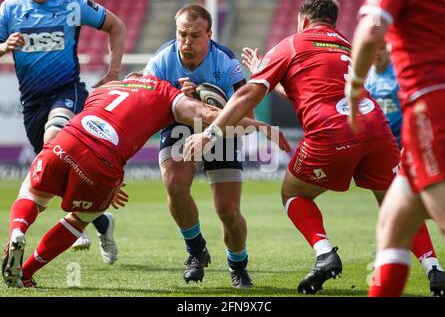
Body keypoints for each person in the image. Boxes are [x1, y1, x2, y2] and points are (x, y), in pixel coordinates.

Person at [184, 0, 445, 295]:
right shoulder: (345, 44)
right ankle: (434, 269)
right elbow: (309, 92)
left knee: (293, 193)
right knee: (398, 204)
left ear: (303, 21)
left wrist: (210, 134)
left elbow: (247, 96)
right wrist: (269, 73)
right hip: (376, 128)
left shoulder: (293, 43)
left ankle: (324, 254)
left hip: (332, 132)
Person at [1, 71, 290, 288]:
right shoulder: (166, 94)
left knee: (32, 194)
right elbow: (207, 113)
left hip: (70, 139)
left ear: (134, 76)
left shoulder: (108, 87)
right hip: (104, 163)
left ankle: (17, 230)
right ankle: (25, 272)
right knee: (79, 219)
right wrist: (256, 124)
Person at [0, 0, 127, 263]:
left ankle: (75, 226)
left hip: (66, 91)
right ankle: (102, 222)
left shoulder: (74, 4)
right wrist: (4, 47)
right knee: (54, 173)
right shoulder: (10, 8)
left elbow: (116, 26)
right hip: (32, 101)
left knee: (53, 138)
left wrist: (113, 71)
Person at [143, 4, 255, 287]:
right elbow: (143, 112)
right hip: (179, 125)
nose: (187, 42)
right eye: (182, 34)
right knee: (174, 184)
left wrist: (211, 123)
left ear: (209, 35)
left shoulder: (227, 63)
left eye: (194, 35)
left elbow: (248, 120)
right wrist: (180, 105)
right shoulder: (159, 63)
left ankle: (238, 267)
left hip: (222, 128)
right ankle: (195, 251)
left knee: (227, 211)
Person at [346, 0, 445, 297]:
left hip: (430, 107)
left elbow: (371, 32)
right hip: (434, 106)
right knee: (392, 228)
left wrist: (353, 87)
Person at [365, 43, 402, 148]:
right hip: (378, 139)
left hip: (399, 138)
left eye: (381, 48)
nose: (377, 53)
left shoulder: (398, 74)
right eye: (373, 48)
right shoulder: (365, 75)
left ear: (388, 50)